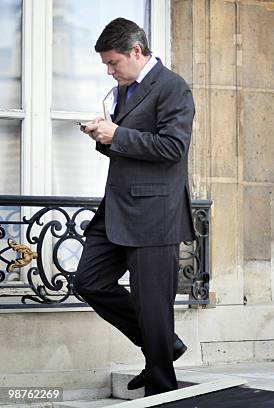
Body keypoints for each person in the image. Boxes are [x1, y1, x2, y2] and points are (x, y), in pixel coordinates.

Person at [74, 17, 196, 397]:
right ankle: (162, 346)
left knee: (153, 304)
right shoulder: (122, 90)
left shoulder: (173, 87)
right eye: (106, 65)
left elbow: (173, 148)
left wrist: (118, 134)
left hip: (155, 213)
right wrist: (103, 134)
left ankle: (161, 385)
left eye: (114, 63)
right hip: (117, 208)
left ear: (137, 51)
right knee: (89, 282)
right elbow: (128, 146)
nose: (110, 72)